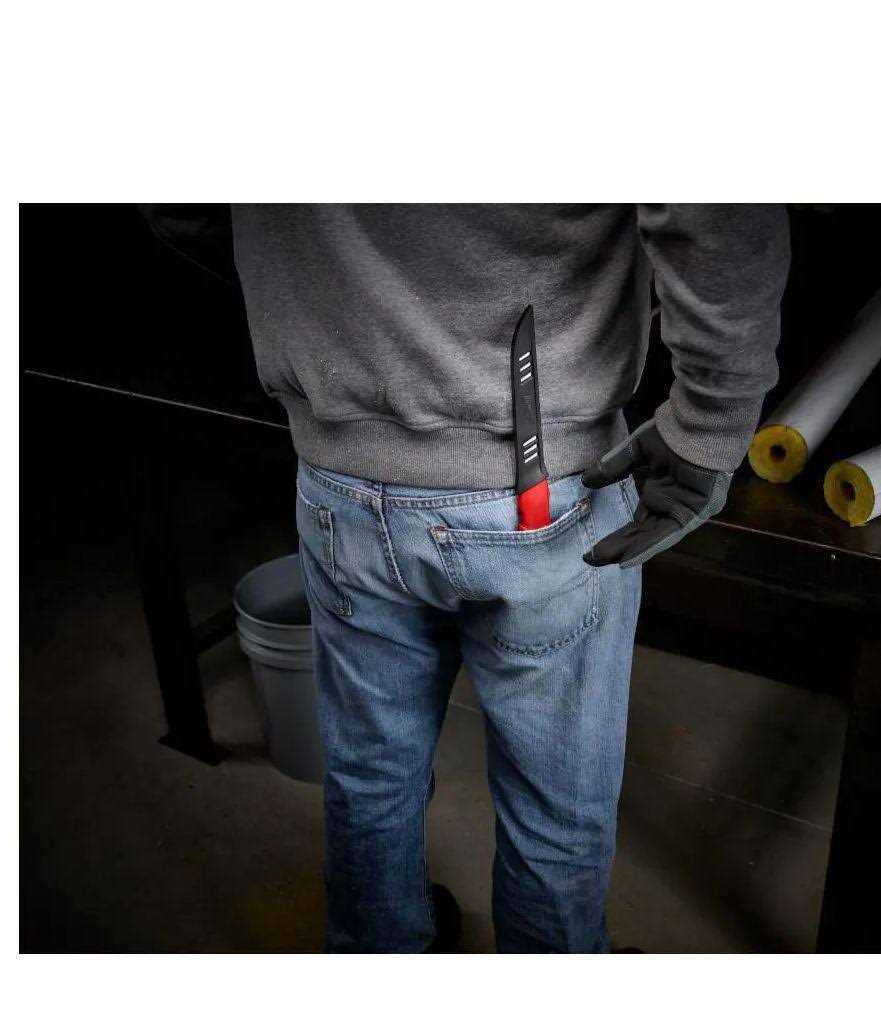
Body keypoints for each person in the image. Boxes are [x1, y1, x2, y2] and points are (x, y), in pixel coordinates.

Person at [142, 204, 790, 953]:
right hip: (536, 486)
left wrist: (329, 308)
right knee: (555, 802)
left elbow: (178, 207)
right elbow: (718, 211)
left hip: (338, 479)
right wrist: (711, 426)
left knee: (370, 773)